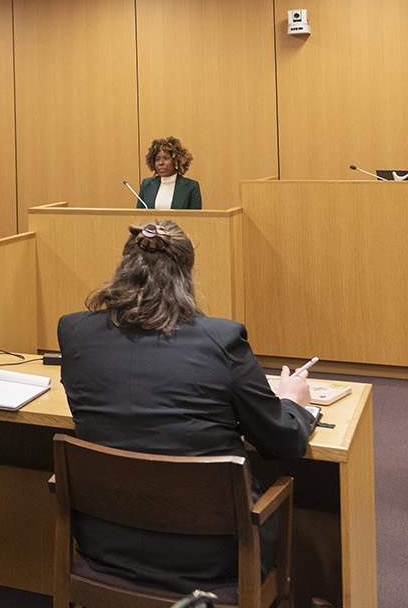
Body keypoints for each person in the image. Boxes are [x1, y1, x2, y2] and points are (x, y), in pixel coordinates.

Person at [56, 220, 315, 594]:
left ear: (123, 266)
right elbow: (283, 442)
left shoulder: (74, 332)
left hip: (104, 544)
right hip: (217, 557)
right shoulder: (222, 340)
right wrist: (292, 400)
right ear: (188, 275)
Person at [138, 136, 203, 209]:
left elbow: (195, 218)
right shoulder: (146, 185)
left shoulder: (191, 186)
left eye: (166, 158)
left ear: (176, 161)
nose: (161, 163)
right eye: (157, 159)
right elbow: (139, 216)